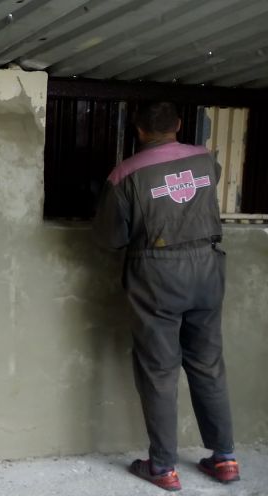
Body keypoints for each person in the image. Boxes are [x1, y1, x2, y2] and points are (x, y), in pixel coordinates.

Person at [94, 102, 238, 492]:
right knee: (208, 364)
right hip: (207, 267)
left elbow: (110, 238)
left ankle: (162, 466)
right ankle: (225, 458)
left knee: (159, 370)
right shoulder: (206, 160)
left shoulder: (125, 174)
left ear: (139, 130)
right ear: (178, 124)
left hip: (157, 274)